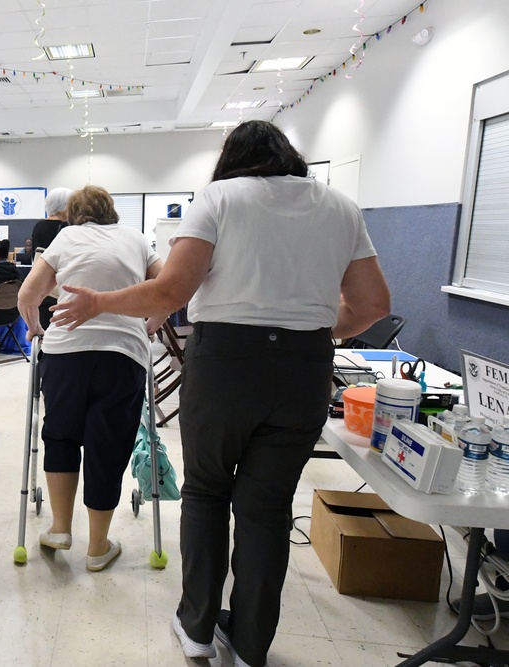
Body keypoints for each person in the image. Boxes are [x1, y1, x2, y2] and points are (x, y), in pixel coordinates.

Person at [51, 121, 391, 667]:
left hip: (227, 364)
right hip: (305, 371)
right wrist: (312, 331)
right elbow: (373, 305)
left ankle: (198, 628)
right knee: (269, 507)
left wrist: (98, 303)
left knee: (208, 492)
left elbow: (171, 291)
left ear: (230, 159)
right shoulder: (340, 206)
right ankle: (252, 642)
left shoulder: (219, 197)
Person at [17, 185, 162, 573]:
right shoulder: (136, 239)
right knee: (108, 444)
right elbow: (168, 292)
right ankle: (98, 548)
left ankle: (61, 528)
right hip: (123, 355)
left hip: (65, 353)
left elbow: (28, 295)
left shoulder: (65, 237)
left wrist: (36, 329)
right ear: (112, 210)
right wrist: (149, 326)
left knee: (61, 433)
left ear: (72, 215)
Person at [30, 187, 72, 329]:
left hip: (43, 285)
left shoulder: (39, 226)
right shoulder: (69, 227)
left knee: (46, 331)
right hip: (65, 286)